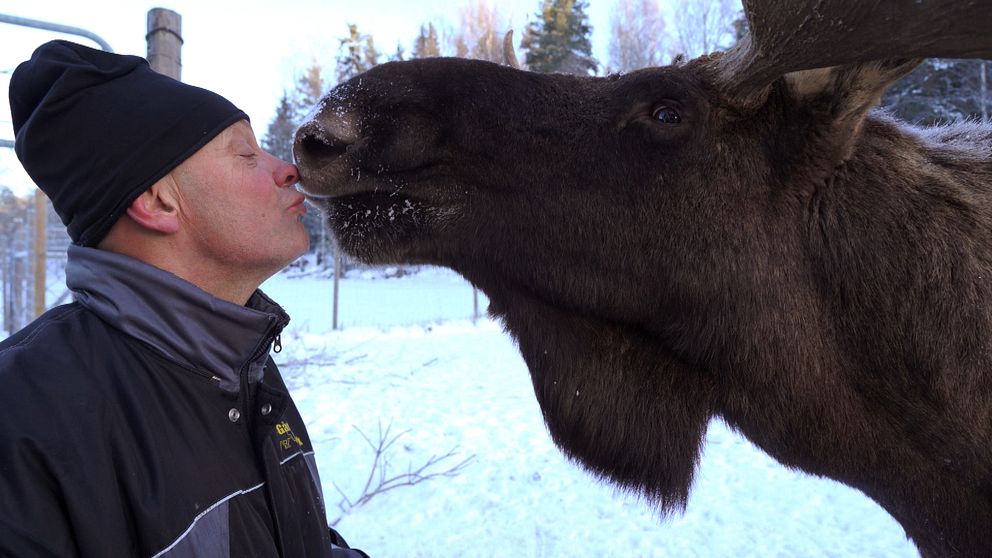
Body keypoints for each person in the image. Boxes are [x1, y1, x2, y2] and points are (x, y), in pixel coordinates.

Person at [0, 40, 366, 557]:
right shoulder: (23, 420)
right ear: (157, 201)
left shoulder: (238, 360)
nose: (286, 169)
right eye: (245, 154)